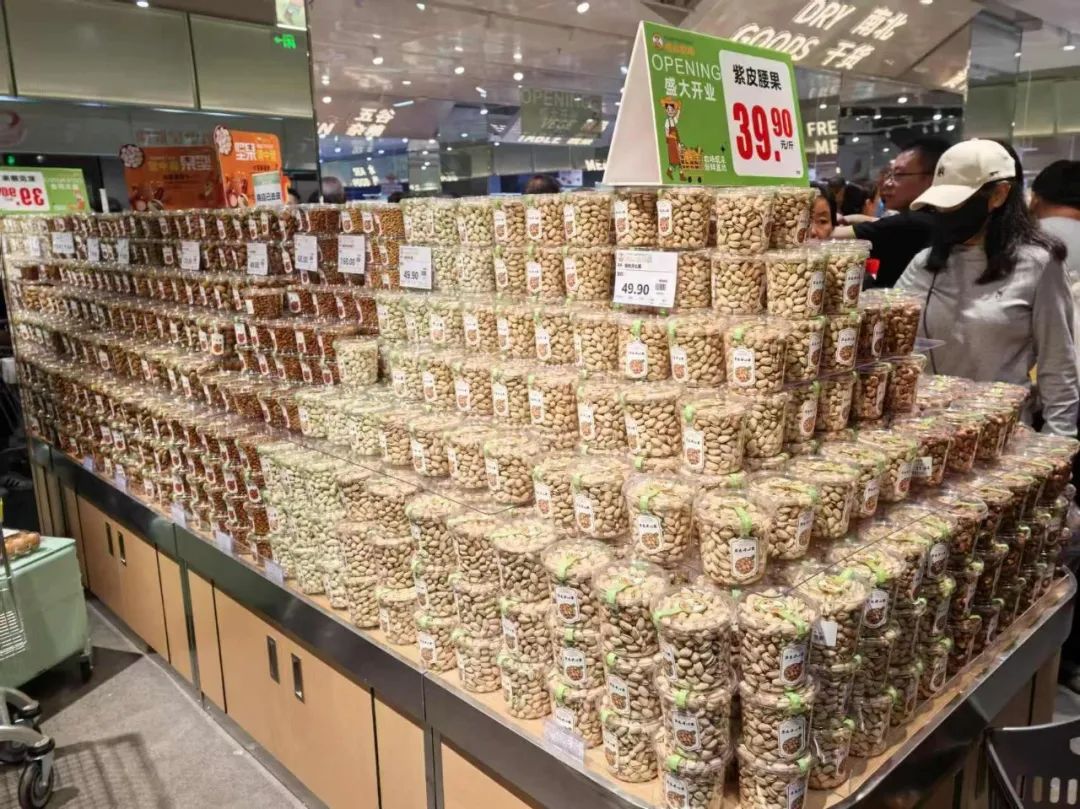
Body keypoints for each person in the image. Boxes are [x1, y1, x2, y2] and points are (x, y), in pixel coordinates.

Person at [893, 138, 1078, 438]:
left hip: (1002, 437)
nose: (945, 212)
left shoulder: (1038, 264)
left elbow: (1058, 366)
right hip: (928, 434)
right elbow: (893, 338)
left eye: (956, 202)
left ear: (999, 195)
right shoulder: (924, 263)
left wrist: (1057, 444)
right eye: (940, 204)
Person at [834, 137, 951, 288]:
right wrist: (857, 218)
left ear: (931, 179)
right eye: (890, 175)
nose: (887, 183)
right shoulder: (937, 219)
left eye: (899, 175)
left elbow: (826, 235)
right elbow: (881, 223)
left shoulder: (910, 223)